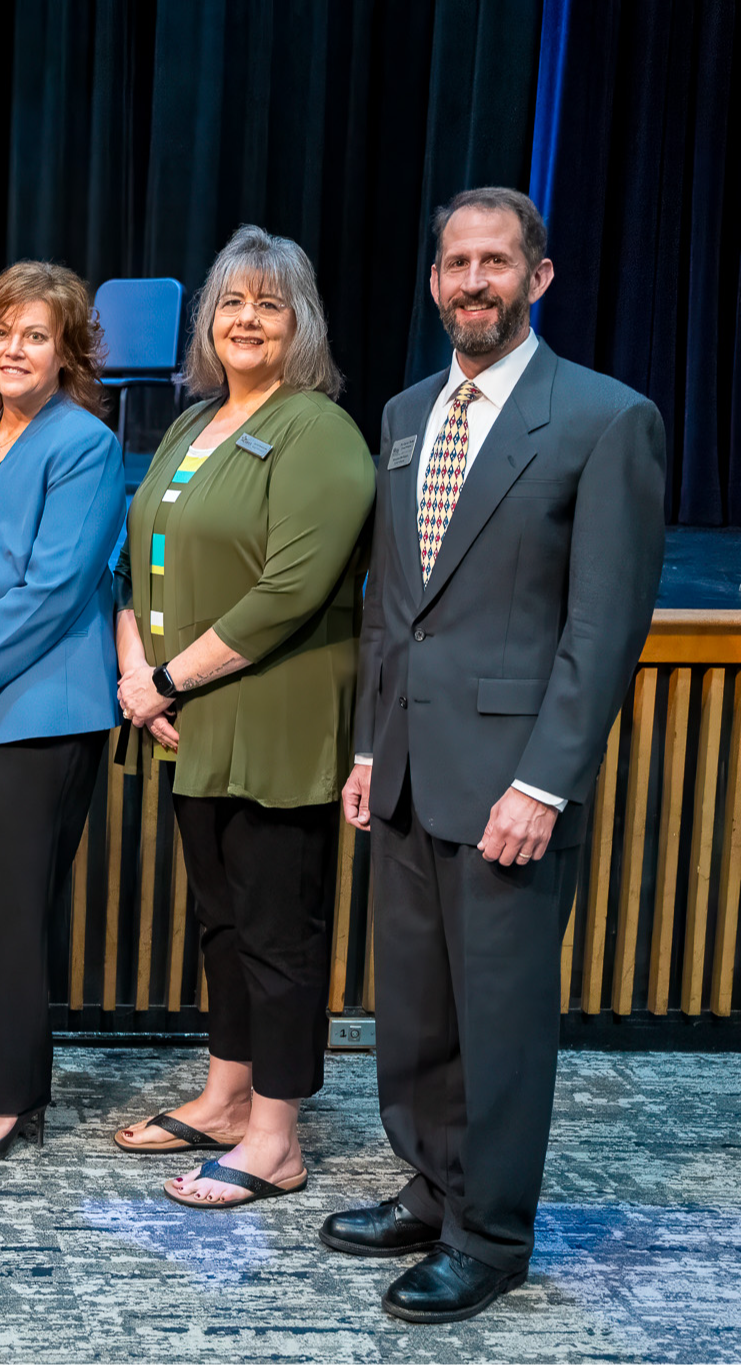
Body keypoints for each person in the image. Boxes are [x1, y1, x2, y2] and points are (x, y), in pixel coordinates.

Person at [326, 188, 665, 1324]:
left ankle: (490, 1235)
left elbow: (601, 628)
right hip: (412, 764)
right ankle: (429, 1186)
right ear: (432, 281)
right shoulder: (407, 410)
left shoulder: (602, 419)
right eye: (454, 264)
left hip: (513, 779)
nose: (471, 281)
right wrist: (372, 745)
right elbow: (392, 607)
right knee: (415, 1009)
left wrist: (544, 781)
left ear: (538, 276)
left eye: (493, 262)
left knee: (500, 1019)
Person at [109, 226, 374, 1212]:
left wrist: (163, 679)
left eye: (269, 303)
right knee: (221, 922)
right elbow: (137, 561)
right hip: (190, 715)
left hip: (273, 711)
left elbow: (289, 590)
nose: (246, 320)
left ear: (299, 322)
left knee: (276, 930)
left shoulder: (319, 431)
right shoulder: (190, 425)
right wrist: (138, 666)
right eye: (229, 303)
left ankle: (274, 1137)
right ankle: (225, 1096)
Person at [0, 261, 125, 1162]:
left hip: (39, 709)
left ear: (68, 351)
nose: (15, 348)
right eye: (2, 331)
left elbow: (51, 592)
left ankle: (8, 1103)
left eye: (36, 334)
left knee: (11, 908)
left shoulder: (83, 442)